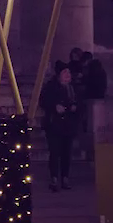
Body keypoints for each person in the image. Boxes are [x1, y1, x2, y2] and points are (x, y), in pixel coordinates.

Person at [41, 63, 80, 192]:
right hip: (54, 125)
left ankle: (65, 177)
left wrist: (75, 107)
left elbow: (80, 102)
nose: (68, 75)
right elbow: (43, 101)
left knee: (66, 153)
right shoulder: (51, 87)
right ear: (59, 75)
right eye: (65, 73)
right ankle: (54, 178)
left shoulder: (72, 88)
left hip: (68, 125)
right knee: (55, 152)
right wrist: (54, 107)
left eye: (69, 73)